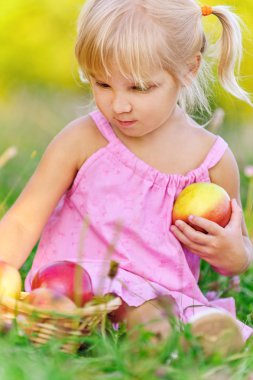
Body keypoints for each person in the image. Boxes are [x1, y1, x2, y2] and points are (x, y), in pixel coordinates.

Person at [0, 0, 252, 355]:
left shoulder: (211, 160)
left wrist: (232, 254)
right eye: (102, 84)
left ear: (189, 70)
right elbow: (25, 221)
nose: (118, 105)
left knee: (149, 312)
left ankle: (188, 341)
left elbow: (239, 252)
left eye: (138, 88)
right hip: (75, 290)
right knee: (86, 309)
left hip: (161, 299)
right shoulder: (82, 139)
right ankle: (176, 345)